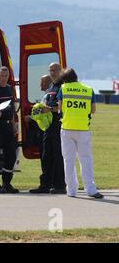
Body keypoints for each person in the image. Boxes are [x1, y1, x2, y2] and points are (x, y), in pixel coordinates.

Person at [57, 68, 103, 199]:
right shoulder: (88, 89)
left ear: (65, 78)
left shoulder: (63, 88)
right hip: (83, 129)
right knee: (86, 160)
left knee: (68, 160)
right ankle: (90, 189)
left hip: (67, 128)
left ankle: (71, 190)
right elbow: (93, 110)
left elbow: (60, 108)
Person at [30, 63, 66, 194]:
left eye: (55, 70)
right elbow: (46, 103)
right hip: (48, 127)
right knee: (46, 156)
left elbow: (63, 107)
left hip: (58, 125)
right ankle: (45, 184)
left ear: (60, 71)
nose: (52, 73)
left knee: (58, 156)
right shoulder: (52, 87)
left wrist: (48, 109)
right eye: (50, 70)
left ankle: (60, 185)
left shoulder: (63, 87)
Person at [0, 67, 19, 193]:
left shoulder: (8, 89)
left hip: (7, 126)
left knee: (11, 154)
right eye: (1, 75)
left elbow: (12, 110)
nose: (4, 78)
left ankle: (7, 183)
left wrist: (14, 127)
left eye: (6, 76)